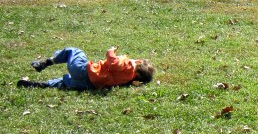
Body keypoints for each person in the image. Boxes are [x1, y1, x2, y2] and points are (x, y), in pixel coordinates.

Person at [17, 46, 155, 90]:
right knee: (63, 83)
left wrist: (111, 52)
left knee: (74, 51)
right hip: (89, 84)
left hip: (84, 70)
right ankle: (37, 85)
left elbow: (113, 63)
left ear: (139, 62)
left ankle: (45, 63)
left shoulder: (129, 65)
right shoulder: (127, 80)